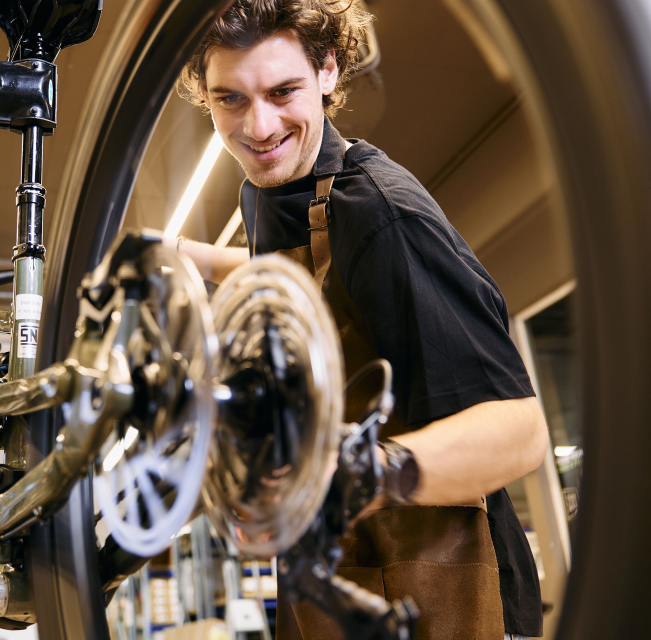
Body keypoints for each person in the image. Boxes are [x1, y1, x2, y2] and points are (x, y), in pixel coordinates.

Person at [172, 1, 549, 639]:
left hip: (454, 596)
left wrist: (345, 475)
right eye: (229, 99)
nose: (259, 126)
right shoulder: (276, 191)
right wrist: (183, 256)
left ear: (328, 70)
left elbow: (520, 432)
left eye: (282, 91)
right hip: (355, 578)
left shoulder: (379, 214)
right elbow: (311, 287)